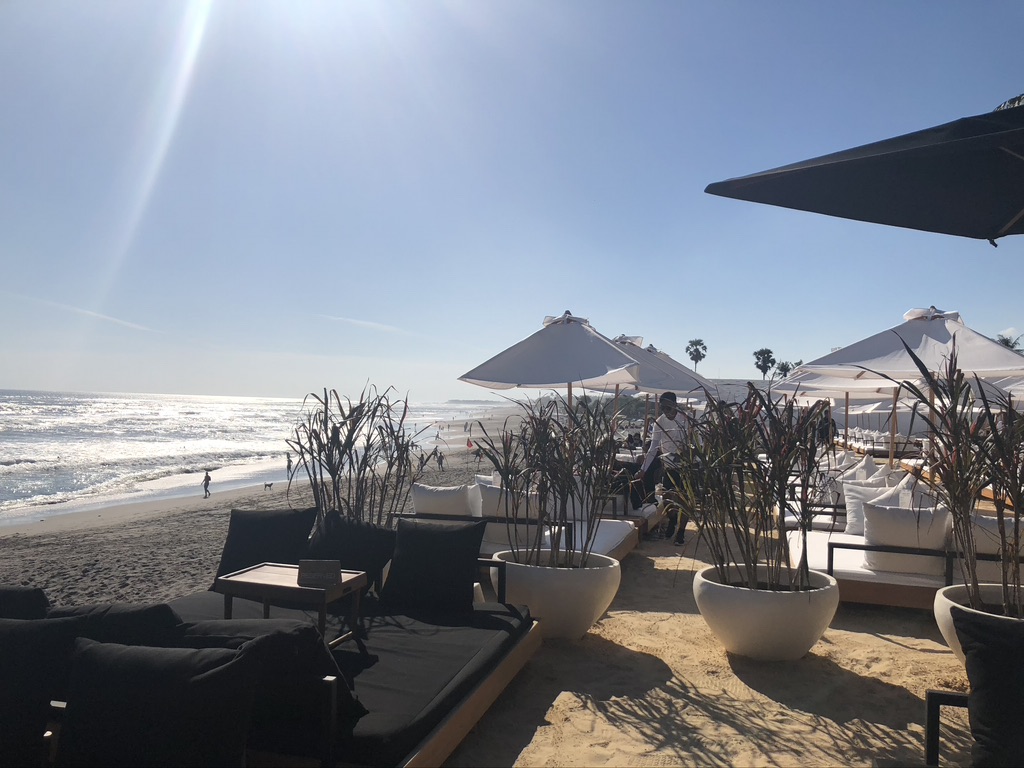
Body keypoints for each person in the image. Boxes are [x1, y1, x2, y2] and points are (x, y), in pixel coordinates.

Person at [635, 392, 691, 545]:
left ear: (674, 404)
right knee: (667, 499)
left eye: (667, 406)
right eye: (662, 406)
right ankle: (672, 520)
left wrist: (686, 454)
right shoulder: (660, 421)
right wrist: (643, 469)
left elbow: (695, 442)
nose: (665, 409)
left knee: (684, 500)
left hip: (686, 467)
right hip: (669, 466)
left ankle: (681, 532)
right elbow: (653, 448)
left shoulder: (685, 420)